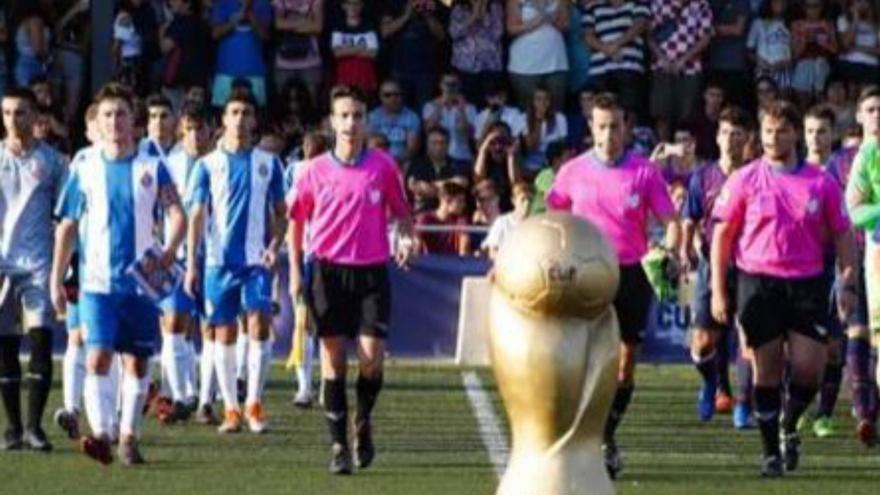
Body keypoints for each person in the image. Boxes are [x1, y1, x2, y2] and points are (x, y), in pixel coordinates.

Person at [711, 101, 857, 477]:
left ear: (795, 135)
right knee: (767, 370)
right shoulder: (744, 179)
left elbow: (843, 233)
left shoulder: (821, 182)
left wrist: (847, 282)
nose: (773, 138)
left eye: (782, 131)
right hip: (758, 281)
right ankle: (770, 455)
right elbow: (722, 235)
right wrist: (718, 289)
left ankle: (788, 425)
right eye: (768, 131)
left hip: (808, 283)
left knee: (810, 369)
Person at [50, 82, 187, 465]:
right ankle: (103, 434)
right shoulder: (84, 167)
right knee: (97, 358)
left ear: (133, 120)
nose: (114, 121)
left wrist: (170, 252)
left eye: (121, 114)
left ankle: (129, 435)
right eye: (107, 114)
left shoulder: (151, 166)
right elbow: (67, 226)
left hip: (142, 284)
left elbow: (176, 213)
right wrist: (56, 278)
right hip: (96, 284)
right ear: (98, 121)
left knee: (138, 362)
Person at [546, 92, 678, 479]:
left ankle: (604, 436)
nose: (608, 135)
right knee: (580, 360)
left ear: (626, 127)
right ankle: (578, 436)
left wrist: (669, 248)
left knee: (624, 366)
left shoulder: (645, 172)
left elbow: (670, 220)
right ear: (591, 127)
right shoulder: (571, 171)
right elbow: (552, 219)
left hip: (631, 274)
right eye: (601, 126)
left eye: (614, 126)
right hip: (585, 275)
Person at [288, 84, 416, 475]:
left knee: (371, 360)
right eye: (344, 115)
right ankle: (339, 446)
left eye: (358, 116)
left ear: (366, 121)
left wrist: (406, 240)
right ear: (332, 121)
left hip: (372, 272)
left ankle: (363, 419)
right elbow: (296, 221)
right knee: (333, 360)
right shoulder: (313, 170)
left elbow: (402, 214)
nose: (350, 123)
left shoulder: (383, 166)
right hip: (326, 273)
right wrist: (294, 272)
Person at [185, 94, 287, 435]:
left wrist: (275, 245)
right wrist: (191, 264)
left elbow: (282, 213)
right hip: (217, 263)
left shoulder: (269, 163)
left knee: (259, 323)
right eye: (234, 112)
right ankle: (230, 408)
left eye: (246, 112)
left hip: (256, 261)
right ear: (224, 120)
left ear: (254, 120)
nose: (240, 118)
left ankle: (254, 403)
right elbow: (196, 216)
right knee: (224, 332)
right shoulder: (207, 165)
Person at [0, 87, 68, 452]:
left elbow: (66, 214)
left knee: (41, 340)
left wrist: (64, 264)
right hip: (1, 264)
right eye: (7, 112)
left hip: (39, 264)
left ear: (35, 116)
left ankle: (34, 428)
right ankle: (12, 429)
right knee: (6, 346)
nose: (13, 120)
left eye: (20, 112)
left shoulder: (53, 162)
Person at [680, 106, 752, 427]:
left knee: (749, 338)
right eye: (725, 133)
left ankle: (743, 405)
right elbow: (690, 217)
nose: (730, 140)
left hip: (750, 264)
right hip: (713, 264)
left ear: (747, 138)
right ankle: (711, 382)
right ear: (717, 137)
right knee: (703, 341)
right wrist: (685, 248)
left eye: (737, 134)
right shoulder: (703, 176)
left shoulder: (755, 175)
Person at [160, 104, 213, 425]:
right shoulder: (169, 164)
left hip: (214, 258)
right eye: (189, 129)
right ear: (181, 130)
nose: (194, 136)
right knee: (173, 323)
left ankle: (206, 400)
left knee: (211, 329)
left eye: (200, 129)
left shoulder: (218, 163)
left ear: (211, 130)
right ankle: (180, 396)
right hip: (177, 257)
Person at [54, 103, 102, 442]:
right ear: (88, 130)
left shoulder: (136, 159)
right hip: (83, 264)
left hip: (115, 268)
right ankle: (71, 407)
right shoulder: (82, 163)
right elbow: (66, 221)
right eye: (97, 124)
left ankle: (111, 414)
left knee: (107, 343)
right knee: (76, 335)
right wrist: (60, 270)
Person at [800, 104, 848, 438]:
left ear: (833, 134)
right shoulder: (794, 172)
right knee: (796, 345)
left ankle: (825, 414)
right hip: (797, 268)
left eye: (822, 131)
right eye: (810, 131)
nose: (815, 138)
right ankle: (797, 406)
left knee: (833, 344)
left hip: (832, 267)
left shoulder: (842, 174)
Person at [844, 85, 880, 447]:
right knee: (860, 333)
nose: (877, 116)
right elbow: (851, 209)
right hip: (864, 257)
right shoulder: (860, 156)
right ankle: (864, 411)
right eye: (871, 109)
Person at [583, 0, 650, 116]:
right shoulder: (592, 7)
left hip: (629, 67)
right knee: (602, 111)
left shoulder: (638, 3)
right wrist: (606, 49)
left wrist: (616, 44)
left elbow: (639, 25)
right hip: (600, 69)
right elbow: (588, 36)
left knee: (628, 112)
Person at [505, 0, 570, 110]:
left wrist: (547, 15)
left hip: (556, 62)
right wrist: (536, 21)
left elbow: (566, 25)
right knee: (528, 110)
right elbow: (511, 28)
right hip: (525, 66)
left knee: (555, 110)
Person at [210, 0, 272, 107]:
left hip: (255, 72)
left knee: (256, 112)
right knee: (221, 111)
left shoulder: (263, 4)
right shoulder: (222, 3)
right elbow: (215, 34)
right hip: (225, 71)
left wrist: (249, 12)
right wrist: (235, 19)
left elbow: (265, 36)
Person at [368, 79, 421, 167]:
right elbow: (370, 146)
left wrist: (395, 161)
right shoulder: (373, 117)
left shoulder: (412, 117)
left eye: (396, 94)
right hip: (378, 161)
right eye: (387, 95)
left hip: (403, 162)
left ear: (401, 95)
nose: (393, 98)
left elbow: (412, 149)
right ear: (380, 97)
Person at [415, 182, 471, 255]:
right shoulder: (425, 219)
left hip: (453, 261)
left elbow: (464, 244)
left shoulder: (461, 219)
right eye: (460, 201)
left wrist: (462, 259)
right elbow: (416, 243)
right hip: (429, 261)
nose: (464, 205)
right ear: (447, 200)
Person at [482, 180, 535, 258]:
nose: (527, 203)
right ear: (514, 201)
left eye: (530, 200)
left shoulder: (536, 224)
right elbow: (492, 251)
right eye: (523, 199)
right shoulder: (502, 222)